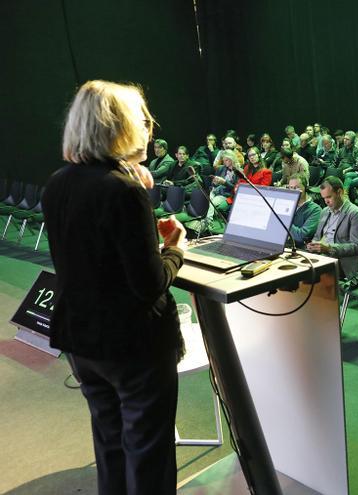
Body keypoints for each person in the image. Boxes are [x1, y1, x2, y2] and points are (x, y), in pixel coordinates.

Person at [43, 80, 187, 494]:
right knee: (148, 454)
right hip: (132, 346)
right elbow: (149, 285)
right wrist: (174, 250)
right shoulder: (122, 191)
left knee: (110, 444)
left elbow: (94, 258)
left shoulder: (57, 184)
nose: (147, 126)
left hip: (81, 341)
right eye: (140, 120)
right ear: (120, 126)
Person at [308, 177, 358, 280]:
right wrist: (313, 245)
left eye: (329, 197)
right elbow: (317, 237)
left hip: (342, 263)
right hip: (323, 257)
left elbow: (356, 247)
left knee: (309, 275)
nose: (326, 201)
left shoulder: (356, 214)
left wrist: (329, 248)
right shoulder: (325, 211)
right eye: (324, 198)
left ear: (340, 192)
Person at [286, 174, 322, 248]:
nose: (293, 191)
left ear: (305, 187)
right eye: (291, 188)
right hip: (283, 245)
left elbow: (302, 236)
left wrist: (282, 221)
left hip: (299, 250)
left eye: (297, 188)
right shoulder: (287, 204)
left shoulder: (315, 210)